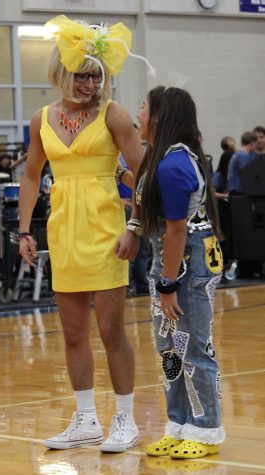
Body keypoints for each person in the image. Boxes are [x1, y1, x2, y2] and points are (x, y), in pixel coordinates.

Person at [18, 15, 146, 452]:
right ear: (62, 73)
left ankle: (126, 420)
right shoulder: (40, 119)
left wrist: (135, 224)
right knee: (73, 333)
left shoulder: (115, 114)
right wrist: (23, 230)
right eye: (82, 75)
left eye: (96, 76)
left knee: (112, 331)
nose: (89, 84)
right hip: (64, 231)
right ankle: (87, 418)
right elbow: (32, 176)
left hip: (108, 231)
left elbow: (142, 174)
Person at [134, 86, 225, 459]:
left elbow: (176, 229)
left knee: (194, 348)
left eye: (142, 107)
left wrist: (168, 284)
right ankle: (179, 424)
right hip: (170, 262)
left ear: (158, 117)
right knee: (169, 349)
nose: (137, 113)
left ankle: (205, 430)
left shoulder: (173, 164)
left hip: (186, 265)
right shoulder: (163, 160)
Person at [117, 153, 150, 297]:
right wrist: (118, 200)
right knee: (126, 247)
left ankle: (142, 284)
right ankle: (127, 285)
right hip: (123, 207)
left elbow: (143, 181)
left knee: (143, 248)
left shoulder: (139, 157)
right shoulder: (115, 157)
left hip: (141, 205)